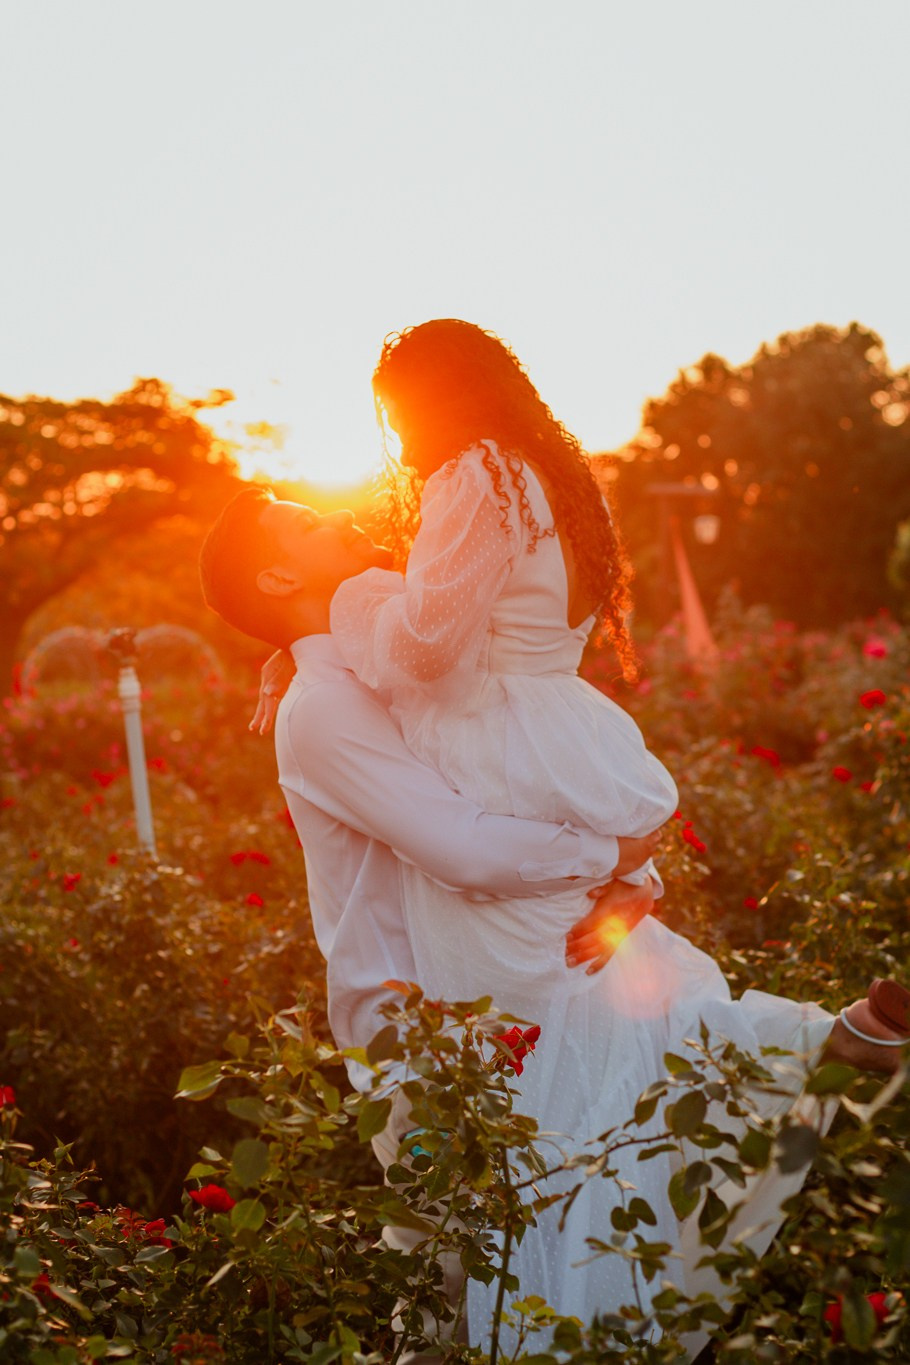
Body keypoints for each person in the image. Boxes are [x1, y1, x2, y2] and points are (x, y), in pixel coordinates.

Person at [257, 318, 908, 1355]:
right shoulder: (529, 489)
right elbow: (464, 779)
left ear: (430, 401)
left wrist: (348, 604)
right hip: (491, 859)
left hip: (486, 838)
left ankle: (557, 1325)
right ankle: (820, 1046)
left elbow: (429, 660)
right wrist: (618, 860)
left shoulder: (462, 498)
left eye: (396, 419)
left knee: (556, 1097)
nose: (396, 451)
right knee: (595, 1040)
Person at [198, 489, 664, 1357]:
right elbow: (462, 844)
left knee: (540, 1258)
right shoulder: (324, 708)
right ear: (278, 571)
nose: (340, 516)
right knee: (447, 1290)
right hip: (418, 1023)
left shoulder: (397, 663)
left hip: (503, 986)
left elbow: (519, 775)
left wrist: (636, 871)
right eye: (310, 520)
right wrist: (614, 855)